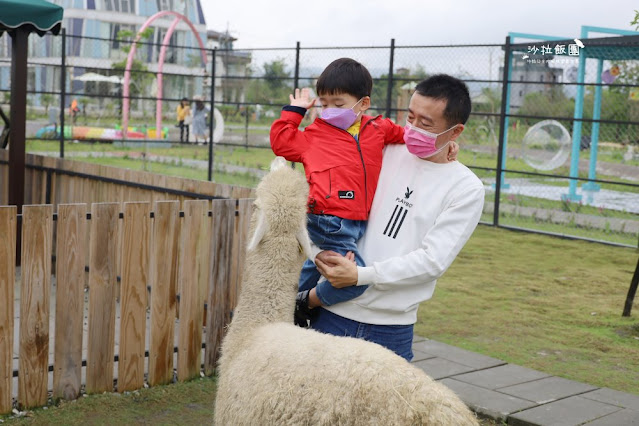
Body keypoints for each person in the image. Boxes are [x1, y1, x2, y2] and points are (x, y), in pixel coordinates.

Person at [271, 59, 458, 327]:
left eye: (339, 104)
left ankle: (284, 309)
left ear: (364, 104)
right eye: (324, 103)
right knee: (353, 280)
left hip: (356, 220)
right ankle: (303, 305)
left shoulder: (378, 129)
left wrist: (445, 144)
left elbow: (409, 136)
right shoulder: (314, 135)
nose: (329, 110)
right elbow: (280, 143)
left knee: (315, 267)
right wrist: (294, 111)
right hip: (330, 219)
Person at [312, 74, 485, 361]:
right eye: (411, 117)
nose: (413, 128)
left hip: (390, 328)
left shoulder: (466, 188)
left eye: (426, 124)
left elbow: (433, 261)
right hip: (331, 314)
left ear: (455, 132)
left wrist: (360, 276)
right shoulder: (381, 149)